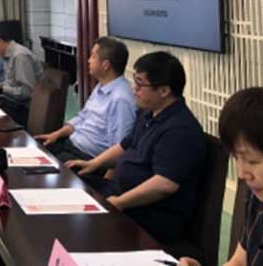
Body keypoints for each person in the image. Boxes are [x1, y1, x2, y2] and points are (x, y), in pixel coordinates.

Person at [66, 51, 206, 245]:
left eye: (140, 84)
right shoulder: (150, 114)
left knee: (76, 227)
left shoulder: (179, 130)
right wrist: (93, 164)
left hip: (147, 213)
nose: (134, 88)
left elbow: (165, 184)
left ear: (164, 91)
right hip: (119, 191)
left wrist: (120, 202)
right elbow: (124, 146)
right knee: (69, 186)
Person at [179, 87, 263, 266]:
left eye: (252, 161)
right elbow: (239, 261)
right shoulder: (260, 199)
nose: (242, 174)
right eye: (236, 157)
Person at [34, 37, 137, 163]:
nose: (88, 60)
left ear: (105, 65)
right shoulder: (101, 86)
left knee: (40, 169)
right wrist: (55, 135)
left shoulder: (121, 99)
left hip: (86, 157)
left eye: (93, 56)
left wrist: (105, 174)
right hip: (71, 143)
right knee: (33, 148)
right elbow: (82, 118)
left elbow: (118, 148)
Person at [0, 22, 45, 126]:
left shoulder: (20, 56)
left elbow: (29, 92)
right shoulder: (7, 55)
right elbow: (13, 84)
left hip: (24, 110)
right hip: (13, 104)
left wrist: (0, 89)